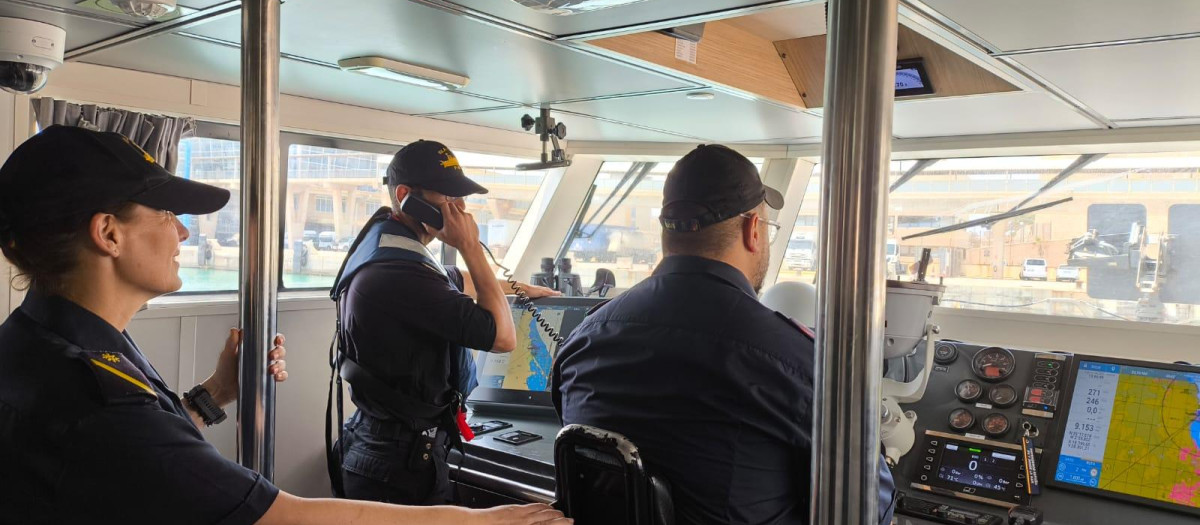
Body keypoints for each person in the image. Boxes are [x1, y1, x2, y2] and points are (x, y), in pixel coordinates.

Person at [0, 125, 569, 525]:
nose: (185, 235)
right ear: (109, 234)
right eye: (168, 215)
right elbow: (282, 515)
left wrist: (215, 393)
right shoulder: (96, 397)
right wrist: (490, 522)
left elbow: (148, 457)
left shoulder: (50, 347)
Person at [552, 144, 896, 525]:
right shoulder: (795, 361)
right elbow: (866, 508)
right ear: (753, 230)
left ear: (667, 231)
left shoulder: (583, 339)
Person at [330, 139, 558, 505]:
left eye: (460, 200)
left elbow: (454, 278)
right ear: (405, 196)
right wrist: (471, 246)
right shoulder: (399, 273)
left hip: (386, 443)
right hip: (397, 462)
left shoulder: (389, 245)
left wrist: (524, 288)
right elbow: (502, 337)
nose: (460, 212)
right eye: (447, 200)